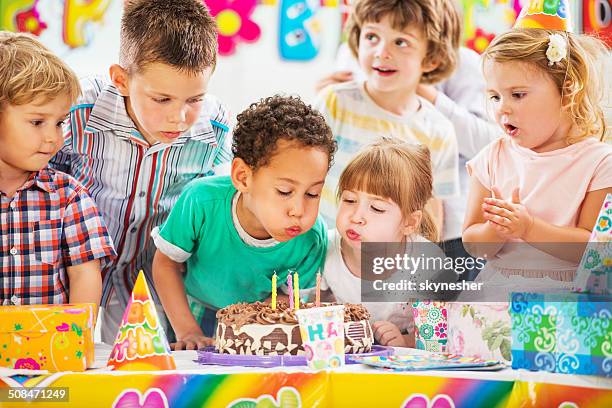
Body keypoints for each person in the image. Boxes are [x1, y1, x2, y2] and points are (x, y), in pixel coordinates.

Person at [50, 0, 232, 343]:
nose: (178, 118)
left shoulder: (216, 127)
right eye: (161, 99)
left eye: (194, 99)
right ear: (121, 79)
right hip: (71, 281)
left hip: (153, 291)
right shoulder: (75, 110)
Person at [151, 95, 337, 350]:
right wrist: (187, 331)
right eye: (284, 191)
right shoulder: (202, 201)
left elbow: (290, 298)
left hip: (256, 323)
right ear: (243, 177)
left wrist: (247, 324)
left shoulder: (312, 239)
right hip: (189, 311)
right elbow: (165, 265)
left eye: (313, 193)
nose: (299, 210)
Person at [463, 28, 612, 284]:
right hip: (498, 294)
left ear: (567, 92)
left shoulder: (599, 162)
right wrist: (495, 231)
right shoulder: (492, 157)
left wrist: (529, 228)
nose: (502, 108)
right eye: (495, 97)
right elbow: (474, 246)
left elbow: (593, 250)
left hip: (566, 298)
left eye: (518, 95)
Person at [313, 0, 460, 245]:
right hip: (317, 253)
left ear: (431, 58)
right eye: (372, 37)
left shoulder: (439, 131)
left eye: (401, 42)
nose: (381, 52)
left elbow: (431, 213)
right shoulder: (334, 103)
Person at [0, 32, 115, 306]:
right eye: (38, 122)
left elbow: (85, 274)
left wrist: (80, 337)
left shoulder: (69, 196)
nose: (54, 138)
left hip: (52, 346)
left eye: (60, 123)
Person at [318, 138, 449, 347]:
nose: (356, 216)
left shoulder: (427, 262)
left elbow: (436, 335)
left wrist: (405, 341)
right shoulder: (324, 249)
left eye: (377, 208)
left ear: (409, 222)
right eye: (349, 200)